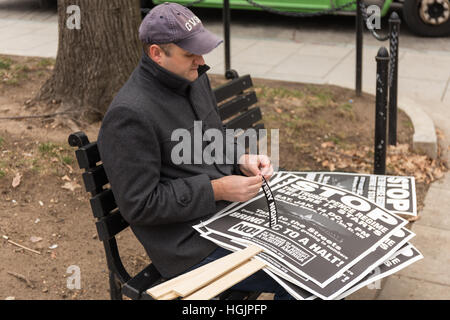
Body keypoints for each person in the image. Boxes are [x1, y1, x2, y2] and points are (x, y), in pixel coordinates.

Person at [97, 2, 292, 299]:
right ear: (156, 53)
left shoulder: (193, 76)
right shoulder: (129, 115)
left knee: (325, 260)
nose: (200, 61)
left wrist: (241, 158)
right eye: (189, 54)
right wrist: (218, 189)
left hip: (227, 216)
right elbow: (140, 205)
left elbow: (216, 135)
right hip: (188, 245)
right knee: (299, 278)